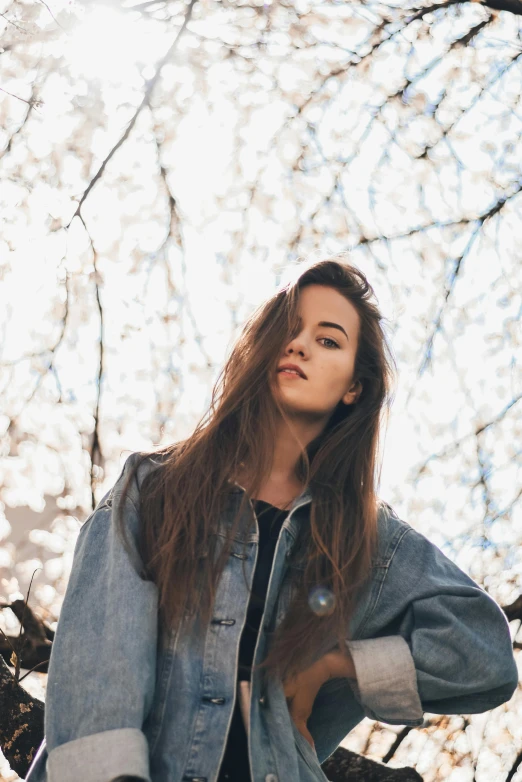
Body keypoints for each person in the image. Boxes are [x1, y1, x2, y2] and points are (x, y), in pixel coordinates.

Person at [25, 258, 518, 782]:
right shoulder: (156, 488)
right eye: (287, 330)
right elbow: (102, 671)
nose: (299, 345)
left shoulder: (368, 545)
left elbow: (486, 657)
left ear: (355, 387)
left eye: (328, 341)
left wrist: (339, 664)